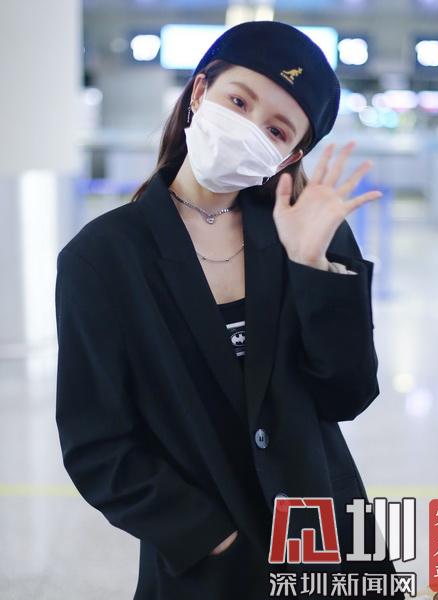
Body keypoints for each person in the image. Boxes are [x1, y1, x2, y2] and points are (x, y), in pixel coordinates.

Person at [55, 20, 405, 600]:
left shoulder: (310, 234)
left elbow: (347, 395)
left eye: (275, 129)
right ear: (200, 92)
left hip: (326, 541)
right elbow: (97, 444)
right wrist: (209, 537)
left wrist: (313, 268)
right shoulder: (103, 258)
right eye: (239, 101)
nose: (248, 127)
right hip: (204, 565)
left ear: (290, 155)